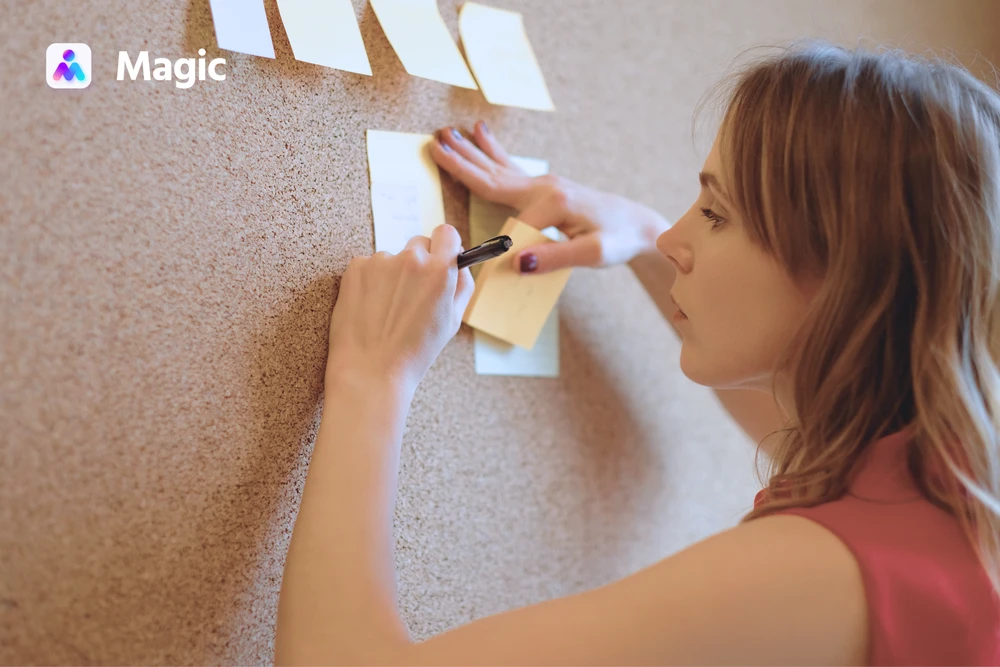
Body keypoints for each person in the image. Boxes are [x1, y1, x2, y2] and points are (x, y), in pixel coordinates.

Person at [274, 41, 1000, 665]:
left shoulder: (819, 571)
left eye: (715, 214)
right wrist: (646, 241)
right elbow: (810, 423)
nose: (675, 241)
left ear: (848, 279)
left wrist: (373, 376)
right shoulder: (955, 467)